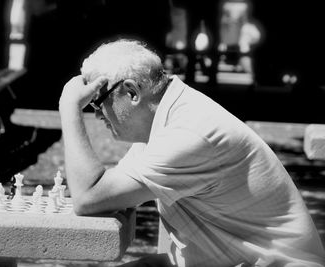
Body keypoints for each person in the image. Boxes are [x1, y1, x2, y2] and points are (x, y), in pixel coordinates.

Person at [58, 39, 325, 267]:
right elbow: (109, 196)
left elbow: (88, 196)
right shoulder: (167, 117)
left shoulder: (188, 133)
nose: (95, 113)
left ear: (131, 92)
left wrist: (69, 106)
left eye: (96, 101)